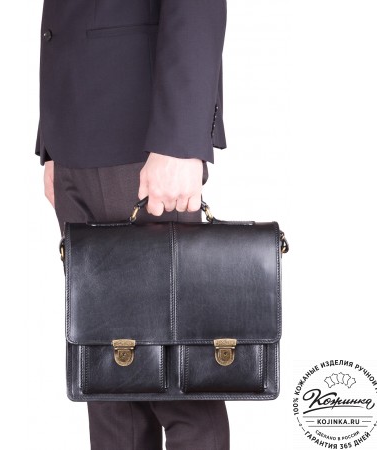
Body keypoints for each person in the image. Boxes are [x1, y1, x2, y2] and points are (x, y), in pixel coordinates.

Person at [35, 1, 229, 449]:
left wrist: (180, 142)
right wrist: (52, 143)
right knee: (109, 382)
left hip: (143, 144)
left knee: (180, 384)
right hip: (74, 141)